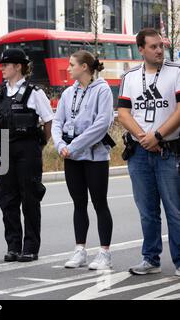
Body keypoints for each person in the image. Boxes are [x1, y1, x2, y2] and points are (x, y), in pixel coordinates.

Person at [117, 28, 180, 276]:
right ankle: (150, 258)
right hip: (140, 153)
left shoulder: (176, 72)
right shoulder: (130, 77)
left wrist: (158, 135)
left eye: (161, 46)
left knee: (174, 209)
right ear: (140, 49)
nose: (158, 50)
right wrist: (144, 138)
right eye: (153, 46)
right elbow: (123, 113)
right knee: (147, 211)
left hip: (168, 150)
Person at [52, 50, 115, 270]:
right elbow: (57, 121)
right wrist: (60, 145)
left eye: (71, 65)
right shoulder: (68, 93)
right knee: (79, 204)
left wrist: (73, 146)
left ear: (84, 67)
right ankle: (80, 250)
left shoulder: (103, 90)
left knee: (99, 203)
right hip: (71, 156)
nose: (68, 68)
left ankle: (105, 252)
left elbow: (102, 124)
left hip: (95, 156)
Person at [0, 48, 53, 262]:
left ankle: (30, 247)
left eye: (6, 64)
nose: (2, 68)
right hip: (6, 150)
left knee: (29, 199)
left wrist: (40, 145)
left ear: (18, 66)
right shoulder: (0, 93)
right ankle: (13, 246)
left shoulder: (35, 92)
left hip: (28, 149)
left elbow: (48, 122)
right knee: (7, 200)